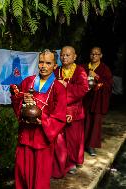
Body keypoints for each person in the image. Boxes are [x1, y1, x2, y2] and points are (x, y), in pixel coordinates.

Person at [11, 49, 66, 189]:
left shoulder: (58, 88)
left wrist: (44, 120)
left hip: (43, 139)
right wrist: (21, 98)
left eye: (48, 63)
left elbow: (59, 116)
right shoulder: (28, 81)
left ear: (55, 66)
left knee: (40, 178)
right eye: (41, 62)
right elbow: (16, 102)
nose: (43, 66)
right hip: (25, 136)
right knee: (22, 173)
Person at [54, 46, 89, 176]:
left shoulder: (80, 71)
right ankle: (62, 163)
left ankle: (72, 162)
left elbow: (83, 89)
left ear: (75, 57)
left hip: (75, 111)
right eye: (62, 55)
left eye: (68, 55)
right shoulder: (56, 71)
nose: (64, 57)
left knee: (73, 139)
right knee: (60, 139)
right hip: (59, 110)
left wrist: (66, 85)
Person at [83, 47, 113, 156]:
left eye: (97, 54)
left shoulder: (105, 69)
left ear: (101, 55)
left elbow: (109, 85)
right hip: (85, 99)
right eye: (92, 54)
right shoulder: (84, 67)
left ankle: (91, 146)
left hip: (98, 100)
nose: (94, 56)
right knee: (84, 122)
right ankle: (82, 144)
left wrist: (97, 76)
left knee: (95, 123)